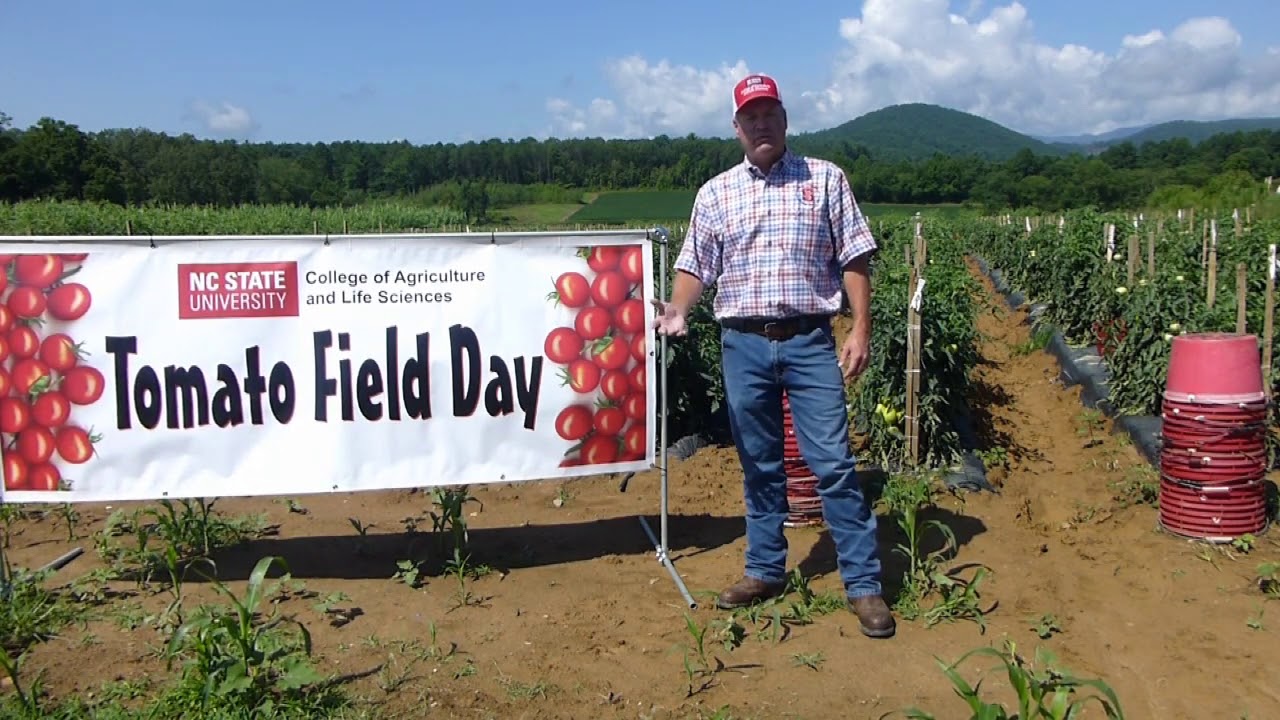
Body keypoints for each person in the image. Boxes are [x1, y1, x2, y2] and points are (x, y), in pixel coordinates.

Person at [651, 72, 894, 639]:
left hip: (809, 339)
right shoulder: (715, 193)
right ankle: (764, 569)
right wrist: (681, 307)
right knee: (760, 464)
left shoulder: (825, 180)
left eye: (769, 114)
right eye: (749, 116)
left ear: (785, 119)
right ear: (737, 128)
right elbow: (695, 266)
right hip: (743, 343)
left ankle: (863, 584)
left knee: (831, 463)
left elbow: (854, 257)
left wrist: (859, 327)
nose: (761, 124)